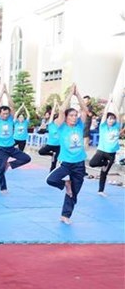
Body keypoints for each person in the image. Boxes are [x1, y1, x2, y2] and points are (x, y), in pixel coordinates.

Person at [46, 84, 89, 224]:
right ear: (66, 117)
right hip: (65, 163)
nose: (75, 117)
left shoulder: (79, 126)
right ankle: (66, 183)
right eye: (72, 115)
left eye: (76, 115)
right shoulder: (61, 126)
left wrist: (78, 94)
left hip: (79, 163)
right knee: (51, 180)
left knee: (74, 192)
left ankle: (65, 215)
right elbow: (62, 109)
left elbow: (85, 110)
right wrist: (70, 94)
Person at [0, 84, 31, 194]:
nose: (5, 115)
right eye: (3, 114)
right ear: (0, 113)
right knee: (0, 170)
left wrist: (7, 93)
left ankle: (10, 164)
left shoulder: (10, 119)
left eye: (7, 114)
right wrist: (1, 94)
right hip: (1, 149)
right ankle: (3, 188)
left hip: (11, 147)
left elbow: (12, 106)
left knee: (26, 158)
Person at [88, 100, 121, 196]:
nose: (112, 120)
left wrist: (114, 104)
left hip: (111, 154)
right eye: (110, 119)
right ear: (106, 119)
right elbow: (104, 114)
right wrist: (109, 103)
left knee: (104, 173)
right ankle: (104, 163)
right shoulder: (103, 127)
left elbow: (118, 116)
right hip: (101, 151)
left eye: (113, 119)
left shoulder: (117, 127)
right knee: (92, 163)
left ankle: (100, 191)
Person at [37, 105, 61, 172]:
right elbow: (52, 115)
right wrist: (55, 105)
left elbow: (62, 114)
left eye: (58, 119)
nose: (57, 120)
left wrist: (59, 107)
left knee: (54, 160)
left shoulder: (61, 126)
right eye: (56, 119)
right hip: (50, 144)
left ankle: (51, 171)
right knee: (41, 152)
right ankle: (51, 154)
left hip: (58, 146)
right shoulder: (51, 124)